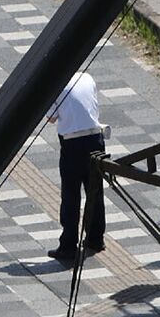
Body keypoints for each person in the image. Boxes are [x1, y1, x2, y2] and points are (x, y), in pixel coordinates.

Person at [46, 70, 104, 263]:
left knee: (71, 196)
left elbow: (52, 118)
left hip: (72, 143)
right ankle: (96, 238)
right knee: (95, 191)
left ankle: (69, 245)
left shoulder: (55, 84)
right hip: (97, 138)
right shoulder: (87, 77)